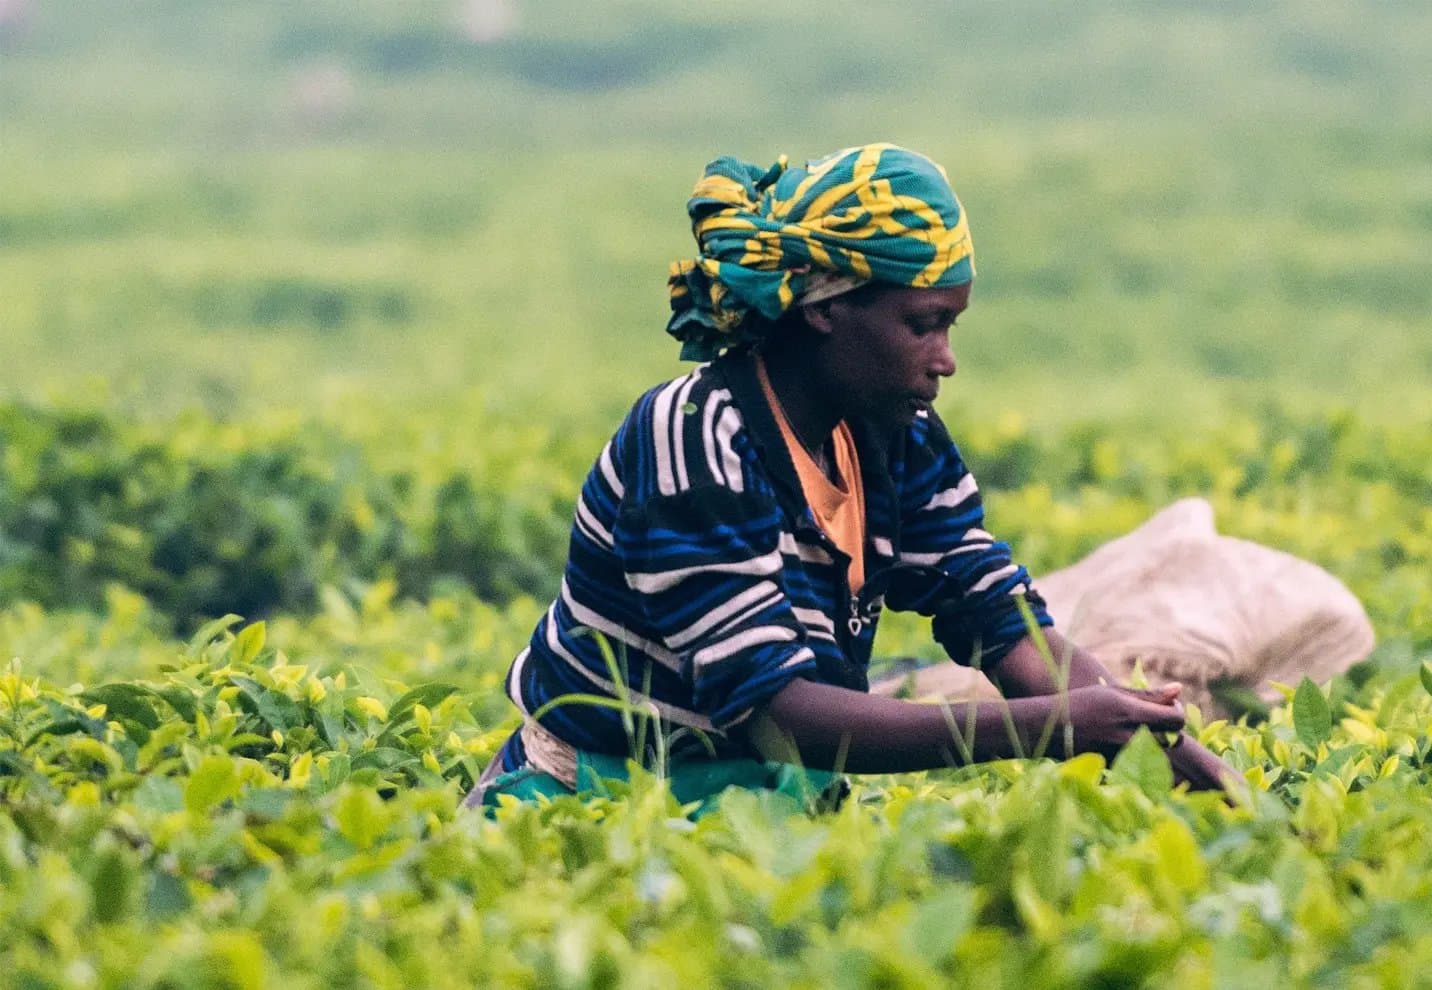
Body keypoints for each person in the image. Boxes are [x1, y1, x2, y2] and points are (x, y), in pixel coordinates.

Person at [463, 144, 1240, 814]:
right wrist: (1042, 729)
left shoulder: (895, 430)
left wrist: (1149, 741)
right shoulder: (695, 439)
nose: (945, 359)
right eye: (922, 324)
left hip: (775, 802)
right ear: (826, 308)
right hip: (603, 803)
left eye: (951, 326)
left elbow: (999, 617)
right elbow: (775, 712)